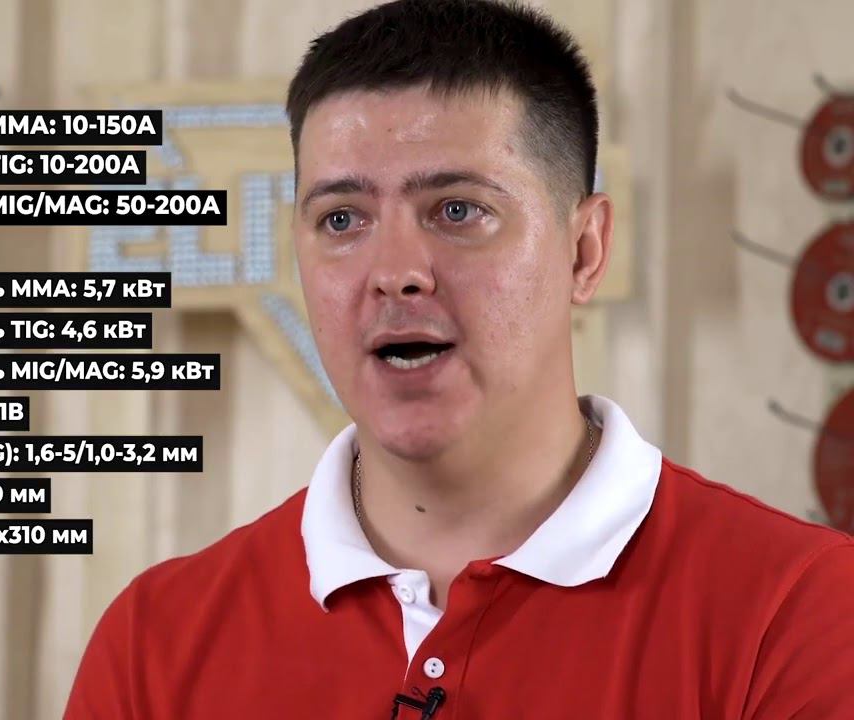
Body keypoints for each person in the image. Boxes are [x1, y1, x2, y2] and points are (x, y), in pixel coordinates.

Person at [64, 0, 854, 717]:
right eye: (341, 219)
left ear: (585, 250)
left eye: (457, 210)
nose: (393, 271)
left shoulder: (800, 612)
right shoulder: (154, 644)